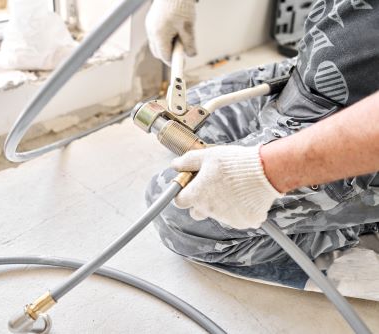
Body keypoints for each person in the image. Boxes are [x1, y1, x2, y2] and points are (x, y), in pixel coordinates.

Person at [144, 0, 379, 284]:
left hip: (356, 130)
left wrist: (268, 171)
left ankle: (361, 220)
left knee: (177, 216)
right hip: (316, 77)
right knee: (182, 117)